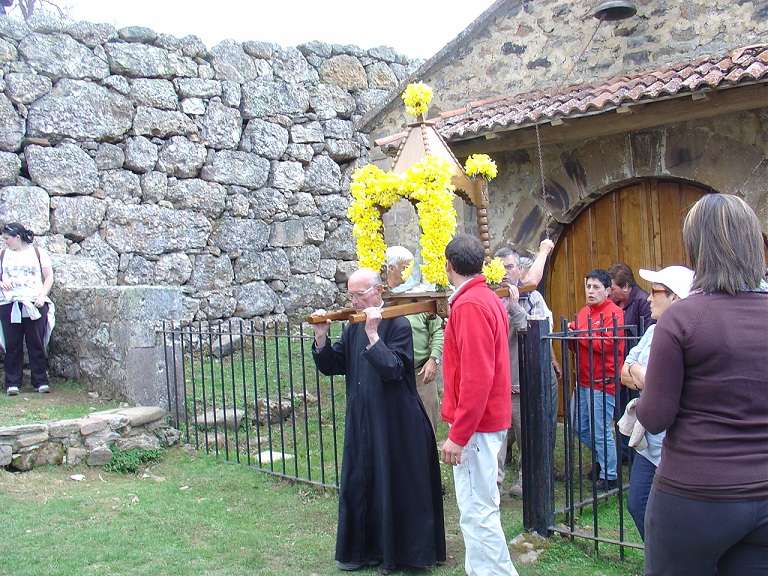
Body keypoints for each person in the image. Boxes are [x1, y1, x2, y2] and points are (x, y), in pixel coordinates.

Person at [636, 194, 768, 576]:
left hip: (695, 496)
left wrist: (644, 386)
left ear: (698, 248)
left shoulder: (682, 317)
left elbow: (656, 417)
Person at [310, 268, 446, 574]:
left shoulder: (398, 323)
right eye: (351, 295)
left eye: (360, 294)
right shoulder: (352, 327)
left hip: (396, 422)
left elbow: (395, 370)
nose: (355, 301)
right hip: (363, 418)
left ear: (378, 291)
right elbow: (335, 365)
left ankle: (399, 555)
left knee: (393, 484)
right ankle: (362, 551)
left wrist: (373, 334)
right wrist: (322, 340)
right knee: (361, 482)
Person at [440, 234, 519, 576]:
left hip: (478, 424)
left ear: (448, 266)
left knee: (477, 512)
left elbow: (476, 377)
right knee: (478, 509)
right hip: (487, 420)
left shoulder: (471, 304)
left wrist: (458, 435)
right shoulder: (483, 297)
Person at [619, 265, 694, 540]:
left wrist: (641, 374)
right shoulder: (653, 331)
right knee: (637, 505)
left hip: (675, 447)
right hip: (647, 445)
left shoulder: (692, 335)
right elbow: (625, 370)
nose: (648, 298)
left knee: (674, 516)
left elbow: (676, 386)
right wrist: (647, 376)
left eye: (655, 291)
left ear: (675, 298)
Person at [494, 246, 561, 497]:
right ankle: (495, 484)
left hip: (525, 382)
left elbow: (535, 335)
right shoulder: (491, 297)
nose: (504, 272)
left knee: (528, 437)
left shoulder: (533, 298)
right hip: (499, 384)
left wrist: (514, 307)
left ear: (519, 269)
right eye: (499, 267)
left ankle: (527, 480)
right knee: (497, 441)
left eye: (509, 266)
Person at [569, 269, 624, 491]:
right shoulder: (584, 312)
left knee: (600, 430)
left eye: (596, 287)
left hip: (604, 381)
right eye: (588, 287)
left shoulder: (615, 314)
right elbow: (576, 341)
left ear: (608, 291)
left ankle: (610, 475)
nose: (590, 291)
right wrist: (576, 335)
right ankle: (605, 460)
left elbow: (605, 344)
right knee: (577, 426)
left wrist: (578, 333)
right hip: (583, 380)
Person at [384, 246, 444, 434]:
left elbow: (438, 331)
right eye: (406, 266)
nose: (411, 270)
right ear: (391, 269)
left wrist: (433, 359)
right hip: (391, 377)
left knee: (427, 429)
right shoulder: (380, 297)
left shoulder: (420, 296)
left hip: (420, 374)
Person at [0, 222, 55, 396]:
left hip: (35, 303)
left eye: (7, 239)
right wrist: (2, 283)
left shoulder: (38, 253)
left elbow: (48, 277)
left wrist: (41, 296)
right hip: (10, 303)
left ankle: (40, 381)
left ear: (17, 237)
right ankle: (12, 382)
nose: (5, 242)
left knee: (36, 343)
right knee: (12, 345)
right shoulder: (3, 255)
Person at [608, 262, 653, 461]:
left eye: (613, 288)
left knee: (635, 406)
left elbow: (646, 336)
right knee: (621, 408)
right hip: (619, 365)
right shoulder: (615, 304)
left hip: (636, 368)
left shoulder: (643, 301)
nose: (610, 293)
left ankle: (634, 451)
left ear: (626, 287)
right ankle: (623, 452)